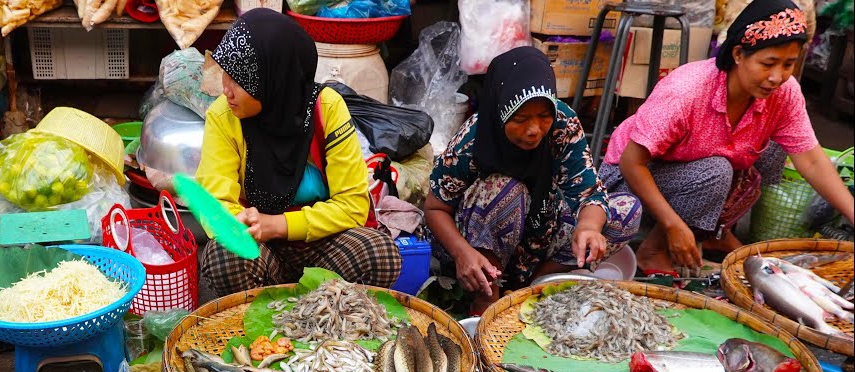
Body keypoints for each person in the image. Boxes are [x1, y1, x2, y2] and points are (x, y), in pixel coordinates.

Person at [599, 0, 854, 275]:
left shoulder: (784, 92)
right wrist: (673, 225)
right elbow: (631, 163)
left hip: (695, 175)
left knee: (777, 146)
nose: (776, 77)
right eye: (768, 63)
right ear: (738, 54)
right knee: (715, 170)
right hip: (627, 184)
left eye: (788, 64)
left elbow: (812, 160)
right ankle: (654, 251)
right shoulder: (687, 90)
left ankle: (714, 233)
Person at [197, 8, 401, 296]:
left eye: (239, 80)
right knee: (225, 253)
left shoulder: (326, 108)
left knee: (380, 253)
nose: (226, 90)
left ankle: (326, 312)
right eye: (225, 76)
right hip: (261, 250)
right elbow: (215, 202)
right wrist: (238, 225)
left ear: (275, 78)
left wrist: (279, 225)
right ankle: (260, 313)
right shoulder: (224, 115)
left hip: (324, 248)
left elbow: (353, 205)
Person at [424, 46, 641, 311]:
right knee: (505, 188)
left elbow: (589, 193)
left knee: (625, 211)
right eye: (521, 119)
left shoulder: (563, 124)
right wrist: (461, 253)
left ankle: (534, 287)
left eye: (544, 116)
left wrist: (588, 227)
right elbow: (435, 208)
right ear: (501, 111)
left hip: (538, 233)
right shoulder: (472, 139)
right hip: (475, 245)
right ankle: (486, 297)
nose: (534, 130)